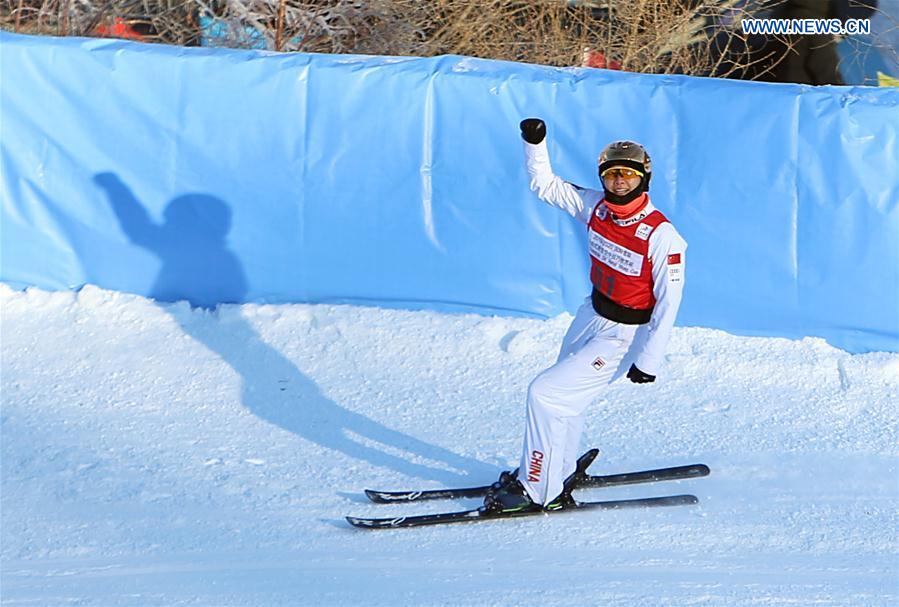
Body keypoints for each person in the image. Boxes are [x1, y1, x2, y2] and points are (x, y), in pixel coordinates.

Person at [485, 118, 687, 514]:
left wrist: (648, 360)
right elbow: (545, 185)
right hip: (591, 315)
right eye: (612, 175)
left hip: (625, 334)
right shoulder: (596, 207)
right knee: (565, 400)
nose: (619, 182)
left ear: (644, 178)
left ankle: (539, 489)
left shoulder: (662, 235)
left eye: (628, 175)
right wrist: (535, 142)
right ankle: (555, 471)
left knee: (544, 394)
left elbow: (668, 303)